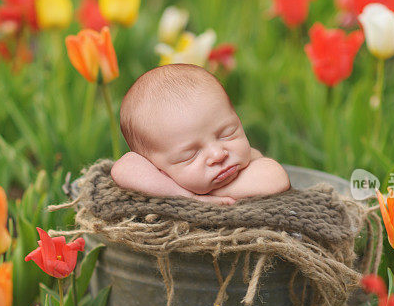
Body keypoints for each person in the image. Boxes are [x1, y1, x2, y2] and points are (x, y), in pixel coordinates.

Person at [111, 64, 290, 205]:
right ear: (156, 166)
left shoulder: (248, 162)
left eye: (227, 134)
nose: (218, 154)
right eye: (191, 154)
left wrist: (211, 192)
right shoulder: (160, 176)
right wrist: (186, 196)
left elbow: (276, 179)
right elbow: (123, 168)